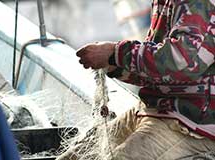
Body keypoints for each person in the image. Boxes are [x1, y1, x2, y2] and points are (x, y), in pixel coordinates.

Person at [57, 0, 215, 159]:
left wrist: (115, 53)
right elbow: (157, 69)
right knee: (76, 155)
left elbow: (181, 61)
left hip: (193, 125)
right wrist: (113, 63)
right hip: (158, 109)